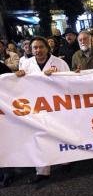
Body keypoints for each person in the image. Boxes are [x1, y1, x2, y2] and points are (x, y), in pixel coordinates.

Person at [15, 36, 70, 183]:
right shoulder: (26, 64)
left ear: (47, 48)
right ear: (31, 50)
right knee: (38, 137)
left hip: (57, 106)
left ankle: (65, 160)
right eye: (35, 48)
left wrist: (55, 77)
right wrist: (18, 76)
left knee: (60, 134)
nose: (38, 50)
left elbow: (70, 83)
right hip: (36, 107)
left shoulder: (60, 63)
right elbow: (21, 87)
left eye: (41, 47)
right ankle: (42, 170)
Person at [0, 62, 13, 187]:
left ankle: (7, 173)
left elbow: (12, 81)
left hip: (3, 111)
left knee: (3, 144)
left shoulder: (1, 66)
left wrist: (17, 75)